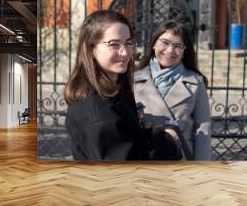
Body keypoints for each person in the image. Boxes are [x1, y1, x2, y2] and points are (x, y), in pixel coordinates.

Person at [64, 10, 181, 161]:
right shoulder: (99, 113)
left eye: (128, 43)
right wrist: (168, 143)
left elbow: (127, 137)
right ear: (91, 48)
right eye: (114, 44)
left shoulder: (113, 90)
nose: (125, 52)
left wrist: (154, 134)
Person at [134, 20, 212, 160]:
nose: (170, 50)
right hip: (144, 156)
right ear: (154, 44)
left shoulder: (195, 81)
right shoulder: (134, 80)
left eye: (178, 46)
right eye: (165, 42)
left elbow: (202, 126)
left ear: (184, 51)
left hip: (180, 158)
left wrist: (202, 166)